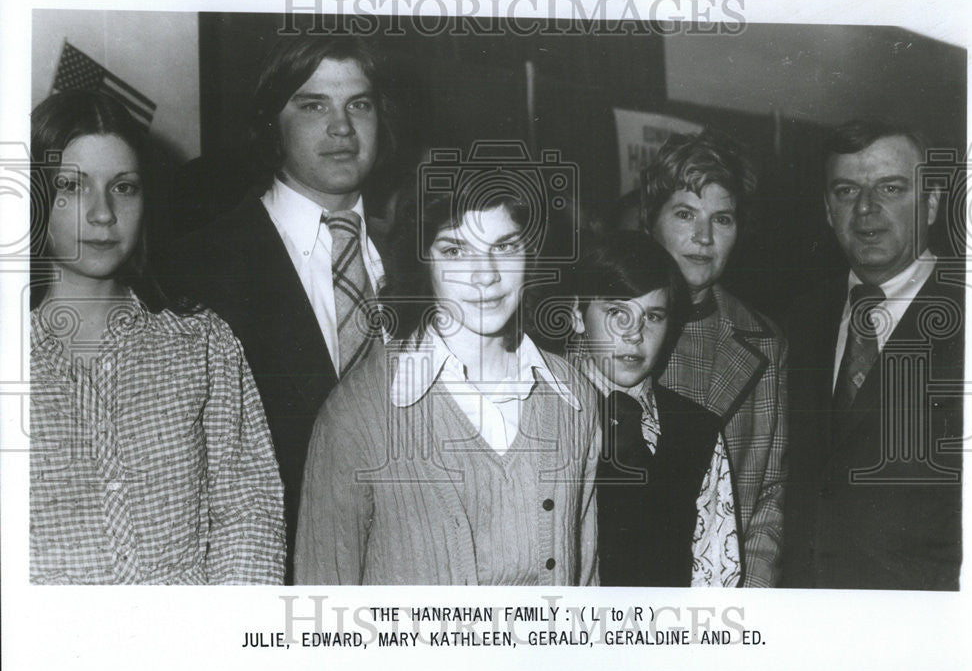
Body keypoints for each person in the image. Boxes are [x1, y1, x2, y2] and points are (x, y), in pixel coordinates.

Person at [164, 34, 396, 578]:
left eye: (358, 104)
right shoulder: (198, 266)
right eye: (313, 105)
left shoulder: (429, 257)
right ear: (272, 122)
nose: (342, 128)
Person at [29, 89, 284, 584]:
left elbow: (249, 511)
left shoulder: (200, 343)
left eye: (123, 187)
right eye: (72, 186)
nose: (102, 214)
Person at [294, 174, 601, 585]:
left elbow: (585, 581)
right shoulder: (358, 411)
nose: (485, 275)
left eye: (505, 247)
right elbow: (324, 597)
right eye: (456, 250)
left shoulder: (573, 396)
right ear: (423, 261)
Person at [781, 118, 963, 590]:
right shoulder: (797, 320)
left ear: (930, 203)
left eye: (891, 188)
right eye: (846, 191)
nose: (866, 209)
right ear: (827, 208)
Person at [641, 129, 787, 587]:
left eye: (722, 219)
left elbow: (769, 498)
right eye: (685, 214)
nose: (703, 237)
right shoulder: (599, 330)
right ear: (651, 221)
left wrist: (749, 604)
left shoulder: (765, 343)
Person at [567, 231, 742, 586]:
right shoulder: (539, 415)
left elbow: (716, 574)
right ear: (578, 315)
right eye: (617, 312)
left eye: (653, 316)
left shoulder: (698, 431)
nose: (634, 334)